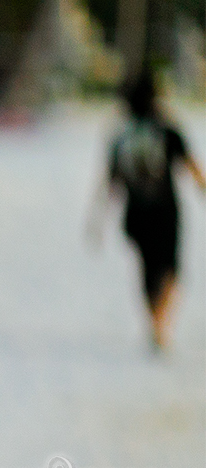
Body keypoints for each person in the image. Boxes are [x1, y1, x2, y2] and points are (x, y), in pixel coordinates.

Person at [92, 72, 204, 353]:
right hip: (166, 212)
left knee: (146, 270)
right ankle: (161, 324)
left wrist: (97, 219)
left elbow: (110, 182)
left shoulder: (122, 137)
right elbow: (192, 168)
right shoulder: (167, 131)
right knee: (170, 269)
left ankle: (154, 324)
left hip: (135, 214)